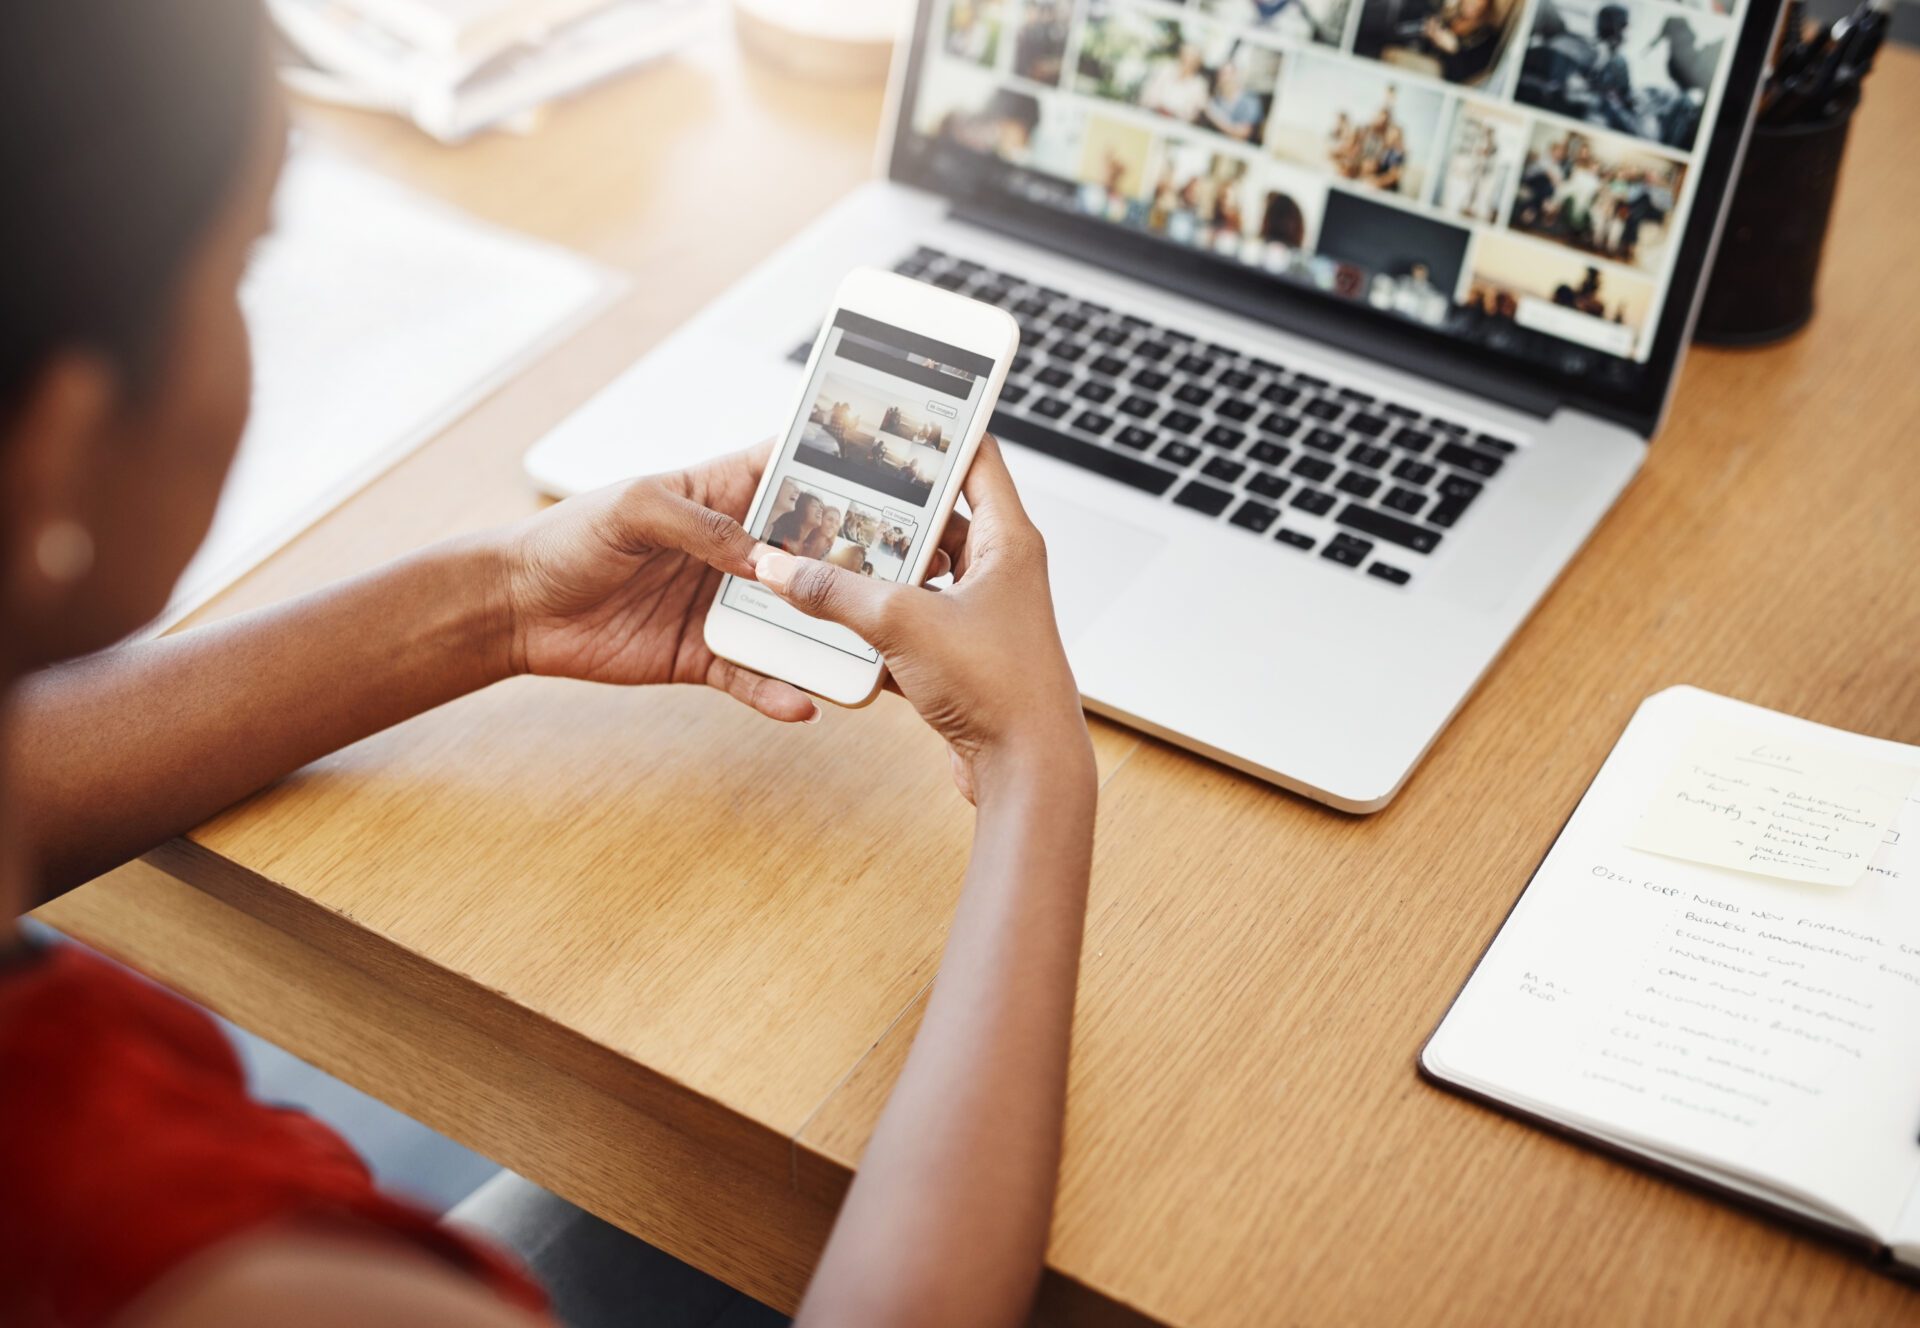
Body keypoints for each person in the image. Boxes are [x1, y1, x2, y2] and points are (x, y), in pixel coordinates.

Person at [0, 5, 1099, 1328]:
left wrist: (504, 601)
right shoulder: (194, 1266)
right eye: (242, 268)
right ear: (60, 450)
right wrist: (1035, 769)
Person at [1139, 42, 1211, 124]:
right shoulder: (1165, 70)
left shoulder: (1199, 84)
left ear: (1198, 63)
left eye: (1193, 59)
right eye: (1185, 56)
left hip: (1177, 125)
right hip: (1152, 116)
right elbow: (1149, 95)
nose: (1188, 61)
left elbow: (1197, 111)